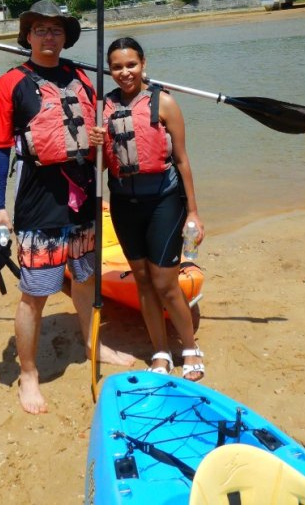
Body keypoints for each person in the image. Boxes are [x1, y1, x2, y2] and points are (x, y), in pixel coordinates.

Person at [0, 0, 134, 414]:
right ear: (28, 36)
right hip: (39, 200)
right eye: (41, 30)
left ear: (64, 37)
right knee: (36, 294)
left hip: (83, 196)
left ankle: (94, 346)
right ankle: (29, 375)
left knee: (86, 281)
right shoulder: (10, 83)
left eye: (56, 30)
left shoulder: (80, 78)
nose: (49, 36)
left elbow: (107, 118)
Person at [90, 36, 205, 380]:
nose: (125, 72)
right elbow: (99, 169)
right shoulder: (102, 109)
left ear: (143, 64)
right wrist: (94, 146)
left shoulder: (165, 104)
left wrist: (194, 212)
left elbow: (182, 161)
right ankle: (160, 351)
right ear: (109, 70)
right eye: (117, 67)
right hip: (125, 204)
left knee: (166, 283)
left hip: (164, 202)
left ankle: (190, 348)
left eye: (131, 65)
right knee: (142, 281)